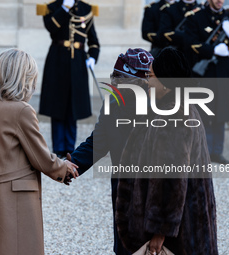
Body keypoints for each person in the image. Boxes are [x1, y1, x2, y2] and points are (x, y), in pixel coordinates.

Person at [0, 48, 79, 255]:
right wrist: (64, 167)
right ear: (22, 78)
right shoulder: (21, 110)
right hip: (13, 197)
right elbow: (41, 158)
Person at [116, 47, 218, 254]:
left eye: (151, 76)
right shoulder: (178, 107)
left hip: (176, 237)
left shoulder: (174, 116)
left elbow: (170, 180)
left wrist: (159, 231)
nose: (147, 81)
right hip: (187, 225)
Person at [66, 48, 154, 255]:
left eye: (120, 80)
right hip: (123, 190)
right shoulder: (113, 103)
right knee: (124, 248)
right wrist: (68, 166)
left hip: (154, 192)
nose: (114, 84)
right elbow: (98, 142)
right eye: (115, 79)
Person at [37, 0, 100, 158]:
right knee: (57, 105)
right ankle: (59, 149)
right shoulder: (51, 7)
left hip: (77, 61)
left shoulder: (87, 9)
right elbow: (51, 28)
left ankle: (70, 148)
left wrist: (92, 57)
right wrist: (65, 7)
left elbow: (94, 42)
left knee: (74, 105)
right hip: (57, 60)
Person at [184, 0, 229, 164]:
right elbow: (190, 43)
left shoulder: (228, 18)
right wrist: (212, 50)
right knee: (204, 110)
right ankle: (204, 151)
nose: (220, 1)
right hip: (205, 70)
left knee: (221, 109)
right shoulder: (197, 17)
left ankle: (217, 151)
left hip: (223, 71)